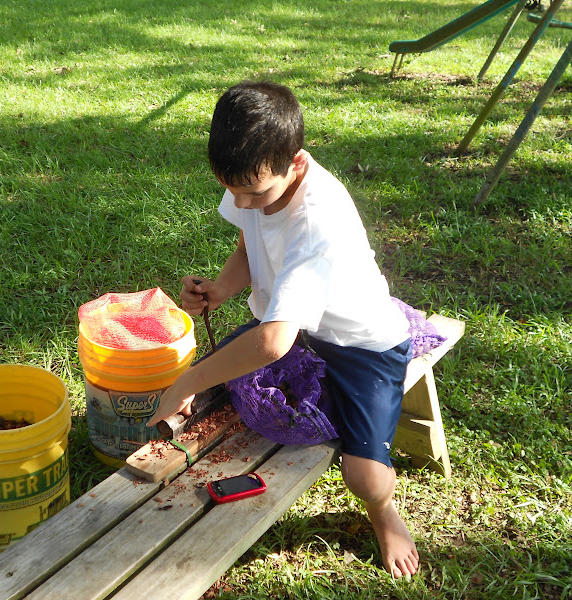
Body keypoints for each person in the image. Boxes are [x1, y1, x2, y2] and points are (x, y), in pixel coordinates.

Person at [146, 81, 419, 578]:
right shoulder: (255, 181)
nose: (244, 204)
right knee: (221, 384)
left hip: (363, 345)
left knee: (363, 478)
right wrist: (221, 290)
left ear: (296, 162)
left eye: (254, 192)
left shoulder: (319, 221)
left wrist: (187, 382)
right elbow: (251, 247)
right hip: (299, 327)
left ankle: (385, 514)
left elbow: (272, 342)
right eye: (232, 190)